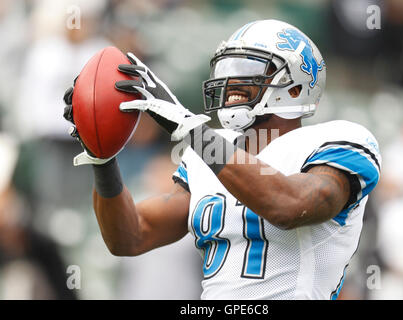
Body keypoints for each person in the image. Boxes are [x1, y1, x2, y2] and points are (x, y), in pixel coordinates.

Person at [63, 19, 381, 299]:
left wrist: (192, 131)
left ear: (295, 87)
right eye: (226, 69)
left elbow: (288, 205)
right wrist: (102, 158)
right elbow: (130, 236)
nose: (231, 83)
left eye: (248, 70)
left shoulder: (340, 140)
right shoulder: (208, 154)